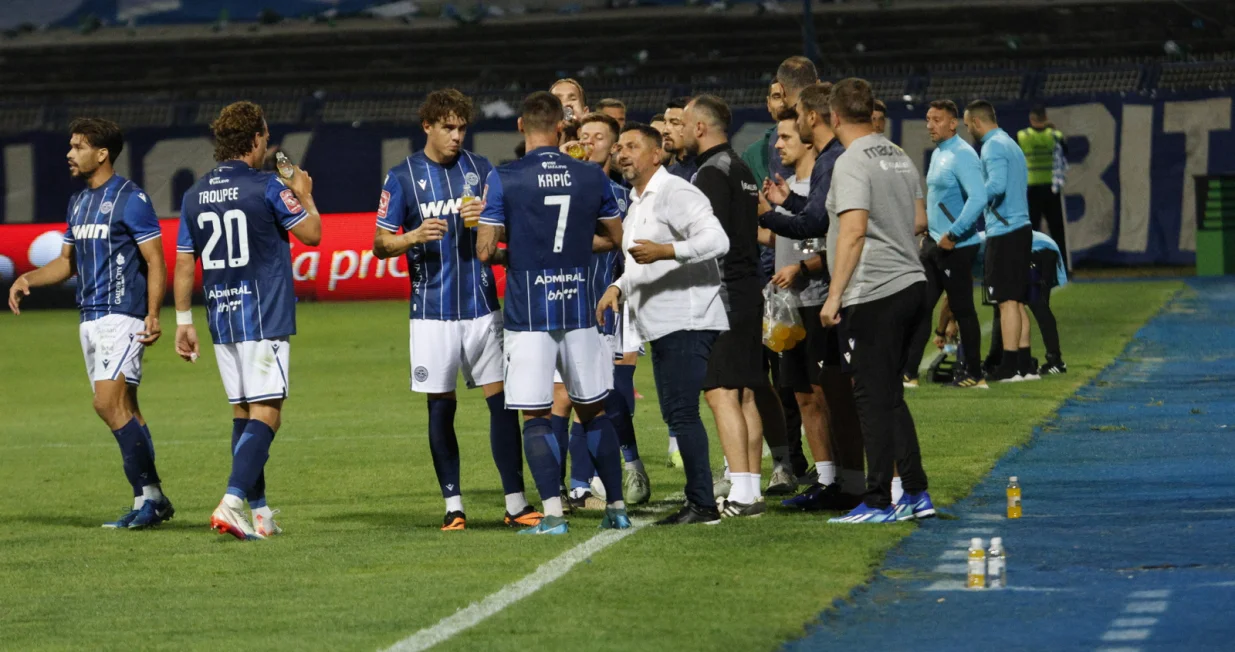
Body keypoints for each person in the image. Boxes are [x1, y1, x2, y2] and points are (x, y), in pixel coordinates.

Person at [371, 89, 539, 531]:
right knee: (440, 409)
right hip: (430, 312)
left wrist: (489, 220)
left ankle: (516, 502)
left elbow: (503, 227)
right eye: (448, 127)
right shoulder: (402, 177)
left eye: (462, 128)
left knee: (503, 404)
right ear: (427, 126)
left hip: (483, 306)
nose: (456, 136)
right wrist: (412, 236)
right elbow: (379, 244)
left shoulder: (481, 170)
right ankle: (454, 506)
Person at [8, 118, 172, 530]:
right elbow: (66, 263)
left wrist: (153, 313)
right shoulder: (78, 203)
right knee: (127, 408)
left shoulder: (131, 199)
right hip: (90, 317)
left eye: (78, 146)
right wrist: (28, 277)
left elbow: (156, 260)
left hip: (122, 314)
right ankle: (145, 500)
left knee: (106, 404)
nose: (69, 153)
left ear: (102, 153)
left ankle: (152, 495)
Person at [476, 91, 627, 535]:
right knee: (593, 411)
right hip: (580, 309)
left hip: (529, 314)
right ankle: (616, 507)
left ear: (521, 126)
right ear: (562, 127)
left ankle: (554, 517)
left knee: (535, 415)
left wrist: (513, 253)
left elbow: (485, 249)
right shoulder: (589, 176)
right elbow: (616, 236)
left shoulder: (505, 177)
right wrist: (577, 250)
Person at [173, 101, 322, 540]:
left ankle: (259, 511)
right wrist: (305, 193)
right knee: (268, 415)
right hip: (264, 315)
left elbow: (184, 262)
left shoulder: (194, 193)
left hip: (221, 316)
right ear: (257, 139)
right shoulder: (268, 187)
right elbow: (312, 234)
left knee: (243, 413)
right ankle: (232, 501)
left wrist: (183, 319)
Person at [597, 123, 730, 526]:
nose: (622, 153)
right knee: (678, 413)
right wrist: (617, 286)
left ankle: (702, 504)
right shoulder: (638, 203)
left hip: (686, 319)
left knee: (682, 414)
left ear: (657, 154)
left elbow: (717, 240)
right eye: (619, 147)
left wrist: (668, 250)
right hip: (661, 322)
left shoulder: (676, 192)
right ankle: (700, 500)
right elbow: (641, 258)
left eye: (633, 146)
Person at [819, 78, 935, 524]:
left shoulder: (851, 163)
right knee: (889, 398)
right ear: (870, 112)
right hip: (911, 282)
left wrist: (834, 296)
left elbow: (853, 230)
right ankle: (916, 492)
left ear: (833, 117)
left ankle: (879, 500)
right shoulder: (899, 155)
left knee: (869, 398)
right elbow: (920, 220)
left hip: (874, 290)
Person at [760, 83, 866, 508]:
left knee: (829, 392)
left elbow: (831, 236)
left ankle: (850, 478)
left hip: (820, 299)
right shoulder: (791, 186)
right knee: (802, 393)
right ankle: (826, 479)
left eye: (785, 136)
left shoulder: (830, 168)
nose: (779, 143)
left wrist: (802, 267)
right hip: (792, 306)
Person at [680, 94, 785, 518]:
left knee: (720, 391)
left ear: (701, 128)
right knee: (744, 391)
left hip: (721, 292)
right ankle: (749, 490)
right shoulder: (740, 167)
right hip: (748, 290)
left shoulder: (709, 173)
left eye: (685, 124)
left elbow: (710, 242)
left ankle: (742, 493)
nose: (682, 131)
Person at [551, 112, 650, 510]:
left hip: (605, 310)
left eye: (598, 138)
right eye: (583, 136)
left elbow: (627, 244)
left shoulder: (624, 196)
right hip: (558, 305)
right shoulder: (556, 187)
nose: (588, 143)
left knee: (601, 399)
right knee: (559, 398)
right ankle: (565, 488)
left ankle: (621, 468)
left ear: (613, 147)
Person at [903, 99, 988, 389]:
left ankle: (975, 375)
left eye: (936, 119)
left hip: (956, 247)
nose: (930, 125)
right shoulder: (940, 153)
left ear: (953, 123)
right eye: (928, 119)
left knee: (963, 311)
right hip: (934, 245)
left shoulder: (963, 155)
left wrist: (953, 234)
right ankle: (909, 373)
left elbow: (978, 198)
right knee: (921, 307)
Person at [964, 100, 1034, 382]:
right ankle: (1025, 364)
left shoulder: (992, 146)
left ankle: (1009, 366)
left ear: (978, 123)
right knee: (1016, 301)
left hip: (1005, 231)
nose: (968, 130)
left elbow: (997, 186)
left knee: (1005, 301)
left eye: (968, 125)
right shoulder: (1010, 143)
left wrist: (974, 196)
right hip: (1020, 227)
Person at [983, 230, 1068, 376]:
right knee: (1010, 305)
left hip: (1037, 250)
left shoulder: (979, 247)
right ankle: (1005, 360)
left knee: (1032, 304)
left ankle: (1055, 361)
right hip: (1035, 249)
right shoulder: (982, 243)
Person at [1018, 106, 1069, 271]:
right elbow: (1065, 152)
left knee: (1031, 230)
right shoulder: (1055, 136)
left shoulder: (1022, 136)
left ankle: (1029, 265)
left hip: (1032, 188)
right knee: (1057, 230)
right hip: (1052, 188)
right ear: (1046, 117)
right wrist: (1052, 129)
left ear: (1031, 118)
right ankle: (1062, 266)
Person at [740, 80, 788, 185]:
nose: (783, 103)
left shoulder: (813, 146)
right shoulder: (752, 156)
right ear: (768, 103)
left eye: (788, 96)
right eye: (777, 97)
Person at [663, 97, 698, 180]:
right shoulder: (667, 174)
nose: (665, 130)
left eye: (675, 123)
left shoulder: (706, 169)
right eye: (665, 123)